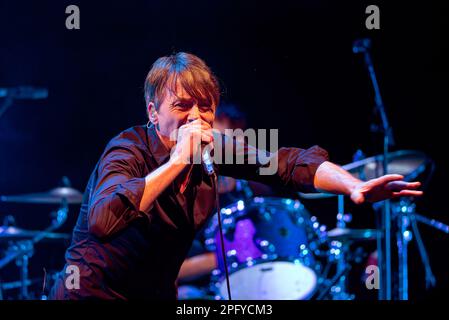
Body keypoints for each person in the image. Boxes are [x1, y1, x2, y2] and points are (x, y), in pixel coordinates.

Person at [49, 52, 422, 300]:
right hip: (92, 293)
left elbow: (288, 164)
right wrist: (178, 160)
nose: (196, 117)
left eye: (205, 107)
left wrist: (353, 185)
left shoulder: (215, 148)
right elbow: (103, 220)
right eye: (182, 106)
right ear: (153, 112)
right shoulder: (128, 149)